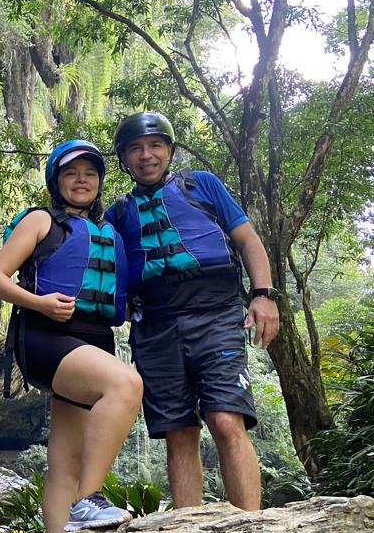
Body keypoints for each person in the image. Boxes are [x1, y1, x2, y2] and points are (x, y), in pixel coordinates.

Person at [107, 113, 279, 511]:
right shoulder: (118, 214)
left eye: (155, 145)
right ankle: (191, 530)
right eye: (135, 148)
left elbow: (247, 238)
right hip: (155, 326)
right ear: (124, 158)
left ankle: (250, 527)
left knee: (225, 418)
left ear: (169, 150)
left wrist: (263, 294)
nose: (146, 155)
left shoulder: (202, 185)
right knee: (178, 431)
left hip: (216, 315)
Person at [0, 140, 144, 533]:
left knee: (64, 460)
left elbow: (119, 305)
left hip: (94, 339)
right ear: (57, 181)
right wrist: (40, 303)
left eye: (90, 173)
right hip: (46, 335)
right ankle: (90, 498)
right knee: (126, 384)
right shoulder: (42, 221)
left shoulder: (110, 233)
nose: (81, 180)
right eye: (71, 173)